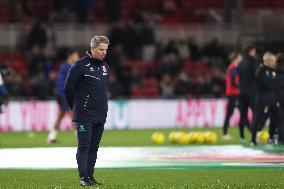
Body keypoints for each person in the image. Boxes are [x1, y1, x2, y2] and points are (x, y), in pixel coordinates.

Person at [64, 36, 110, 186]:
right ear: (92, 48)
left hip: (100, 114)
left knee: (94, 147)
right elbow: (68, 89)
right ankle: (83, 177)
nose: (104, 53)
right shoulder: (79, 66)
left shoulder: (105, 67)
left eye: (106, 50)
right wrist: (75, 107)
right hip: (84, 114)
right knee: (84, 146)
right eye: (101, 49)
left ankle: (90, 176)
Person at [47, 49, 79, 144]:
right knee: (74, 115)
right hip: (65, 94)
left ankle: (51, 136)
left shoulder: (69, 66)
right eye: (76, 55)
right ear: (70, 56)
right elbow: (62, 82)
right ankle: (80, 138)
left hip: (65, 94)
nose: (77, 57)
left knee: (61, 116)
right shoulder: (66, 67)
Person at [251, 52, 281, 145]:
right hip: (263, 100)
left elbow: (276, 85)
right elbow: (268, 84)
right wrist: (275, 82)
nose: (274, 62)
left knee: (278, 118)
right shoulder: (260, 71)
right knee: (258, 120)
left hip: (273, 100)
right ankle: (253, 139)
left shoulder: (274, 71)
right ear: (267, 61)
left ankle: (272, 137)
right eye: (272, 60)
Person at [238, 45, 258, 142]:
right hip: (251, 91)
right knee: (256, 113)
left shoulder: (240, 63)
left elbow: (239, 76)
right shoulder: (254, 62)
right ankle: (253, 136)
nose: (255, 53)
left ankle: (242, 136)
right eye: (254, 51)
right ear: (251, 51)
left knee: (243, 115)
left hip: (241, 91)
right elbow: (257, 76)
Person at [222, 52, 242, 140]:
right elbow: (234, 82)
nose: (241, 59)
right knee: (230, 113)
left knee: (242, 112)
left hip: (234, 93)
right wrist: (241, 87)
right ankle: (224, 133)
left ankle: (252, 132)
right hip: (233, 93)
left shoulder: (233, 68)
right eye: (240, 57)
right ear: (236, 58)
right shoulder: (233, 68)